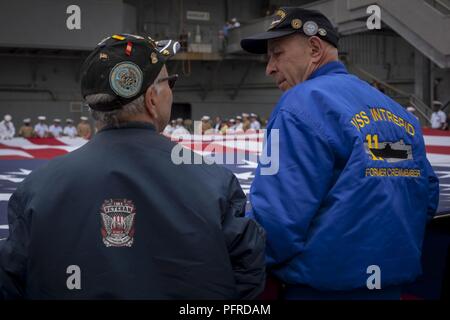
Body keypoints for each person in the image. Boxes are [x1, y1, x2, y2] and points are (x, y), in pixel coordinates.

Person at [0, 33, 265, 300]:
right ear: (152, 98)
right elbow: (247, 270)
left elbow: (11, 280)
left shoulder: (35, 189)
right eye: (169, 82)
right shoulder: (214, 181)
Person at [241, 7, 439, 299]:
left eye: (277, 53)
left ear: (314, 47)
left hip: (319, 291)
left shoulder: (300, 104)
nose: (269, 67)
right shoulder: (399, 114)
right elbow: (427, 197)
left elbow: (276, 223)